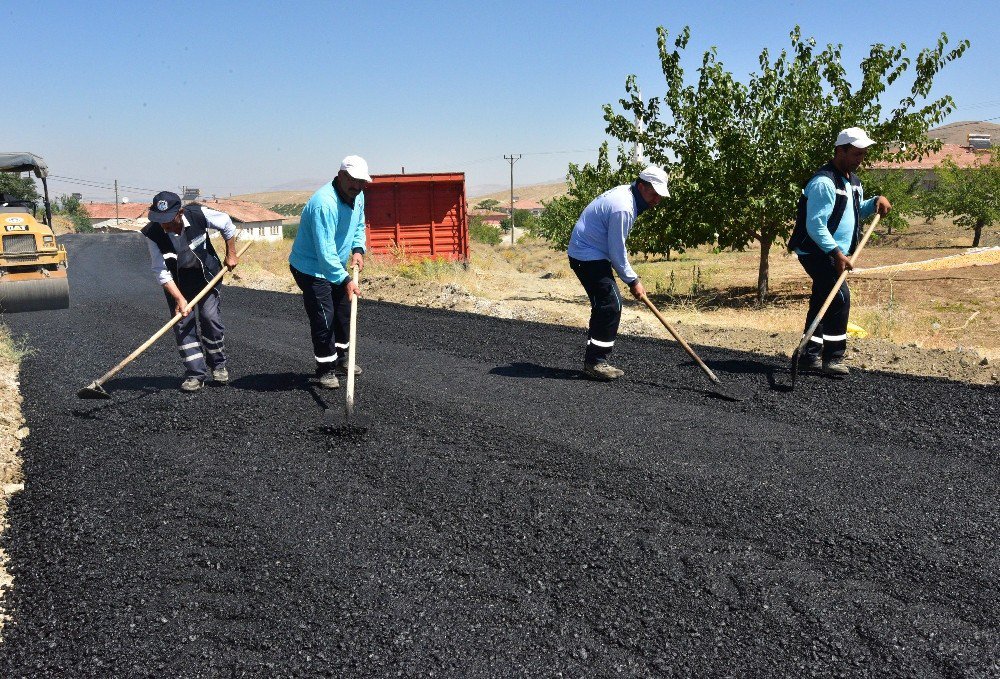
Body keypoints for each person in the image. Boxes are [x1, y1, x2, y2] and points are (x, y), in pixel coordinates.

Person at [787, 127, 892, 375]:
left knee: (824, 298)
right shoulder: (824, 182)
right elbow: (815, 225)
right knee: (840, 298)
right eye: (856, 154)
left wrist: (876, 201)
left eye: (863, 154)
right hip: (817, 251)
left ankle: (809, 355)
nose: (860, 159)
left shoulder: (853, 183)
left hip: (836, 253)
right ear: (840, 151)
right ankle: (833, 358)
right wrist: (836, 254)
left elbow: (854, 211)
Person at [566, 165, 670, 381]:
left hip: (592, 252)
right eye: (653, 194)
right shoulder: (623, 207)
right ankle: (596, 362)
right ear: (641, 186)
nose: (656, 200)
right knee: (610, 304)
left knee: (604, 305)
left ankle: (594, 360)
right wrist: (633, 280)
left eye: (660, 196)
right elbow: (617, 251)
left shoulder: (628, 196)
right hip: (587, 255)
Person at [142, 191, 239, 392]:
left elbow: (227, 225)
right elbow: (160, 270)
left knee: (209, 318)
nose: (164, 225)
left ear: (181, 212)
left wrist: (231, 255)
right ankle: (195, 374)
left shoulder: (198, 215)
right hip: (177, 282)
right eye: (160, 220)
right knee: (182, 323)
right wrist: (179, 298)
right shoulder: (152, 233)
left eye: (168, 219)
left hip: (205, 275)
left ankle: (218, 365)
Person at [289, 155, 370, 389]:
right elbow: (325, 253)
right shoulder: (324, 204)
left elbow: (358, 224)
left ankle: (343, 359)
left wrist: (357, 248)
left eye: (362, 182)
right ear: (341, 175)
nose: (357, 186)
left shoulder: (358, 194)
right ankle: (325, 368)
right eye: (353, 181)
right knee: (324, 316)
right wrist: (345, 279)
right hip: (310, 267)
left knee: (344, 312)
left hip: (334, 265)